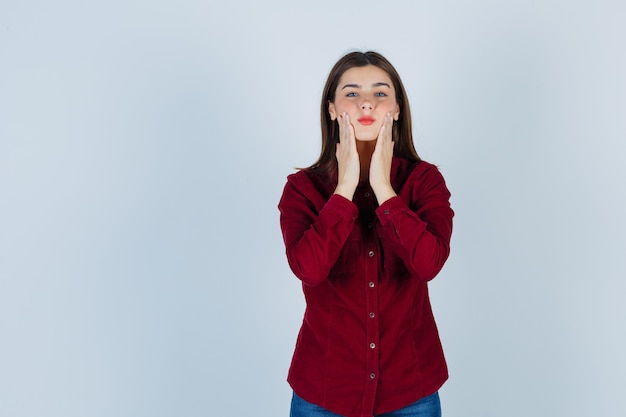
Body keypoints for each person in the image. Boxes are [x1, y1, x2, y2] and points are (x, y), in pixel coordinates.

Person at [278, 51, 454, 417]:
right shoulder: (302, 189)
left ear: (398, 108)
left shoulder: (424, 182)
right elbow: (308, 268)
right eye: (352, 93)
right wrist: (344, 188)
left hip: (411, 392)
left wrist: (383, 188)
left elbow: (428, 263)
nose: (367, 104)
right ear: (331, 109)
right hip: (323, 393)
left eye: (380, 92)